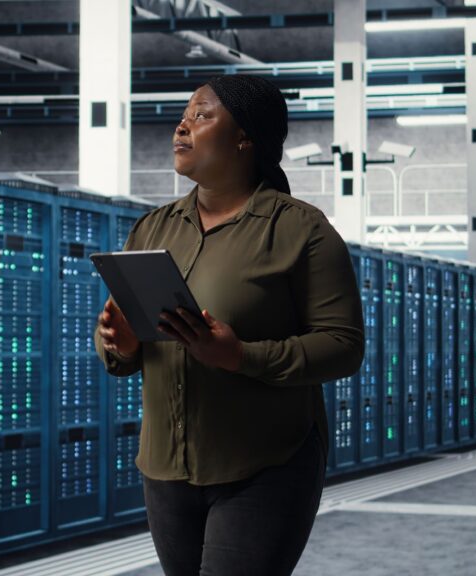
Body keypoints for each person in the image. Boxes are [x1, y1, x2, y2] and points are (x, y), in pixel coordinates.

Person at [93, 74, 365, 576]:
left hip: (266, 465)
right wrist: (120, 343)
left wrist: (240, 355)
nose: (182, 125)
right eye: (184, 114)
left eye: (201, 114)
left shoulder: (301, 230)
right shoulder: (152, 228)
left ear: (245, 137)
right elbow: (119, 344)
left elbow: (343, 345)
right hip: (165, 469)